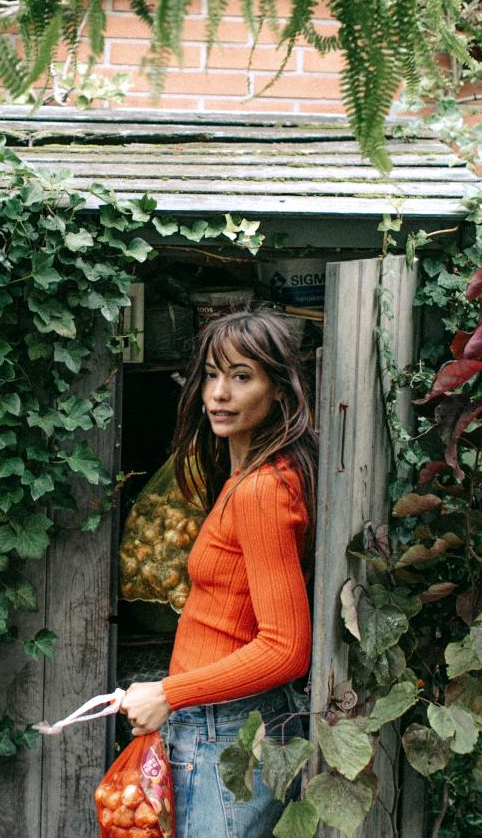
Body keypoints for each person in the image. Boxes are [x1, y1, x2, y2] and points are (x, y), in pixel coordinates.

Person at [119, 307, 317, 837]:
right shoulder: (245, 477)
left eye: (241, 376)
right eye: (211, 374)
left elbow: (286, 647)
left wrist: (168, 694)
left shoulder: (262, 490)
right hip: (214, 724)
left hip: (225, 731)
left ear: (279, 389)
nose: (219, 394)